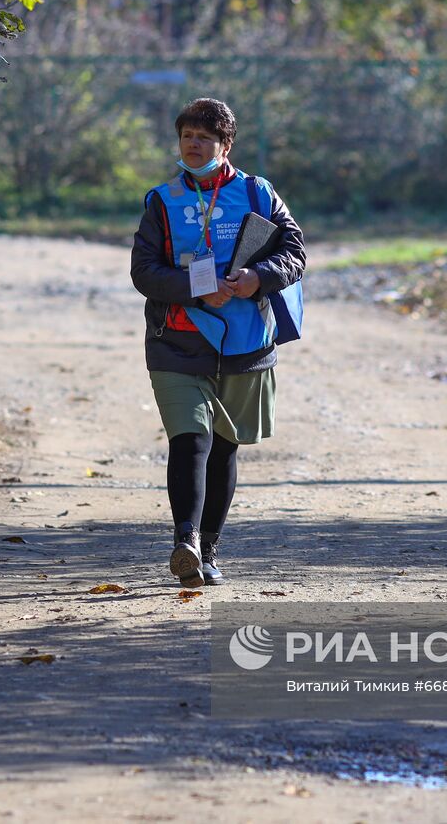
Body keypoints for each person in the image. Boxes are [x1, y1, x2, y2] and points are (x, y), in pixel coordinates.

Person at [129, 97, 307, 589]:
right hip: (176, 342)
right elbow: (144, 272)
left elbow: (294, 251)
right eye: (187, 136)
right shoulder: (161, 201)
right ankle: (185, 540)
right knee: (190, 439)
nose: (193, 144)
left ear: (225, 145)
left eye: (204, 138)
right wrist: (195, 288)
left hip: (246, 343)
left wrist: (258, 277)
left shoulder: (256, 192)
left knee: (225, 447)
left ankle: (208, 551)